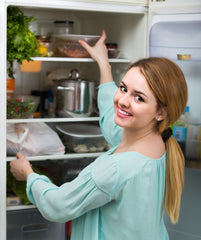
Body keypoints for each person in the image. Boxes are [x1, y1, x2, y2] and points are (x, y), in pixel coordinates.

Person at [10, 30, 188, 240]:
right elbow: (111, 121)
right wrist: (104, 64)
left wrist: (29, 175)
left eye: (139, 98)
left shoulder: (113, 170)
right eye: (123, 88)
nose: (122, 101)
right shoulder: (159, 141)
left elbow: (58, 205)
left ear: (161, 112)